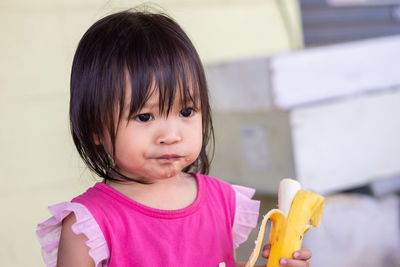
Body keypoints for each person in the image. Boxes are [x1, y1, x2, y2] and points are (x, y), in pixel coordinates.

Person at [36, 8, 312, 267]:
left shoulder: (223, 200)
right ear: (94, 126)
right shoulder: (88, 226)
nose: (170, 135)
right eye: (144, 116)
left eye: (187, 111)